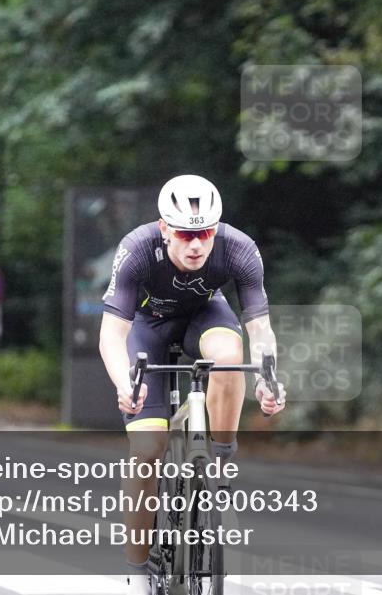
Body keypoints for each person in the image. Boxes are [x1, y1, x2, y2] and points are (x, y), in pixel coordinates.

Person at [98, 174, 286, 595]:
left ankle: (219, 463)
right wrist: (123, 383)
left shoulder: (239, 249)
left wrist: (268, 378)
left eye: (204, 233)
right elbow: (112, 333)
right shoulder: (137, 249)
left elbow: (260, 328)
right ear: (165, 228)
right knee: (146, 450)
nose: (197, 244)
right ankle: (139, 570)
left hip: (204, 318)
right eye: (185, 234)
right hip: (146, 331)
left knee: (228, 356)